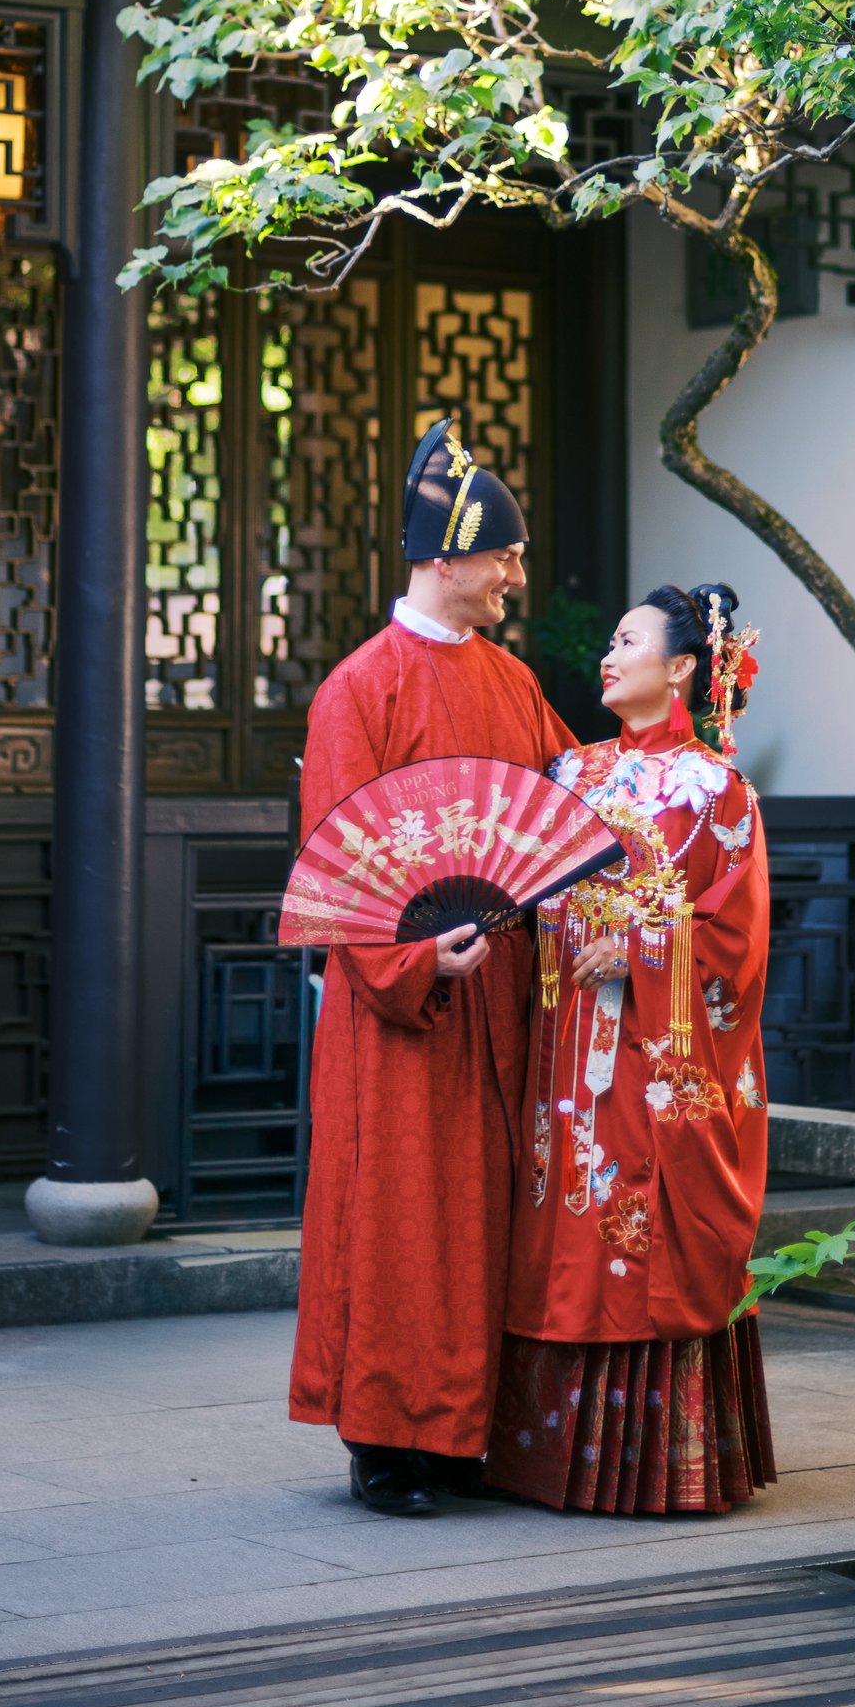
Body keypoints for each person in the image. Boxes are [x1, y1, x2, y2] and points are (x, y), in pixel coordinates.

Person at [287, 415, 575, 1516]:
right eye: (503, 553)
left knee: (486, 1217)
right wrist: (411, 957)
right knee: (401, 1219)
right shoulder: (361, 689)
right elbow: (343, 860)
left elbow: (564, 804)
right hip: (402, 1010)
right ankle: (386, 1440)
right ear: (446, 556)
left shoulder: (512, 682)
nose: (515, 574)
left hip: (501, 998)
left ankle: (469, 1433)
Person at [487, 581, 777, 1516]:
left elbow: (736, 941)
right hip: (570, 1043)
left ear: (683, 666)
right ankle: (545, 1457)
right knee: (563, 1221)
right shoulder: (571, 773)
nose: (607, 656)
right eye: (609, 642)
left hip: (660, 1060)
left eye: (628, 641)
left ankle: (656, 1465)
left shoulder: (717, 789)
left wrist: (648, 941)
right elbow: (532, 885)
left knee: (637, 1237)